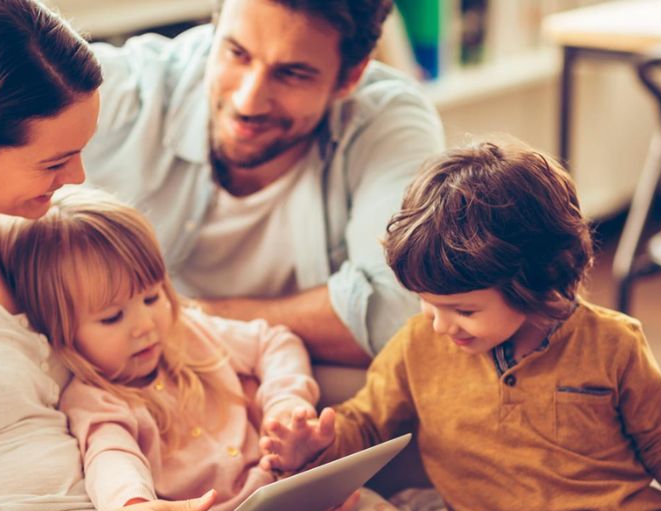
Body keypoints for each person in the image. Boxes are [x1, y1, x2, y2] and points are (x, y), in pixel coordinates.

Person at [0, 2, 474, 511]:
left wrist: (290, 475)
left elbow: (140, 391)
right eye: (55, 162)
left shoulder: (23, 247)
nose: (80, 176)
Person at [259, 141, 661, 511]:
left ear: (537, 280)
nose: (439, 324)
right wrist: (317, 445)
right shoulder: (417, 345)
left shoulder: (614, 343)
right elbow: (364, 424)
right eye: (426, 302)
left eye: (463, 310)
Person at [80, 0, 445, 366]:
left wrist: (177, 318)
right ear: (214, 27)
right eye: (237, 53)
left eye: (292, 74)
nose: (248, 102)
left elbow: (402, 313)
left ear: (350, 77)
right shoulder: (119, 89)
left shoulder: (387, 121)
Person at [0, 186, 321, 511]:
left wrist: (284, 403)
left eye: (151, 298)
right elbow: (112, 458)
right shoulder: (96, 401)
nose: (145, 325)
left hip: (284, 498)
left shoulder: (189, 332)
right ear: (61, 333)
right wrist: (133, 505)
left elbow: (275, 341)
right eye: (112, 317)